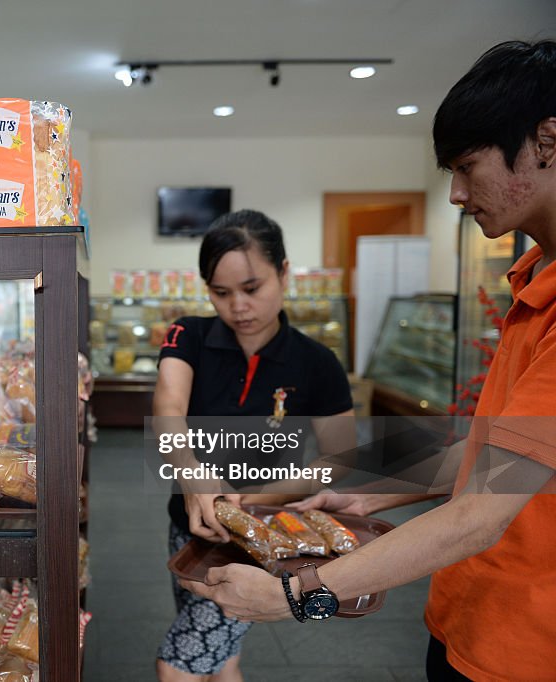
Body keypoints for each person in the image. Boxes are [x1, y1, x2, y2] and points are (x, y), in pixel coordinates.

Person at [180, 39, 556, 682]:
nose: (457, 196)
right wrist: (368, 492)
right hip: (468, 622)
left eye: (468, 167)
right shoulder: (532, 282)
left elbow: (480, 515)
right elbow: (496, 458)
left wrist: (297, 596)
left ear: (547, 140)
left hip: (525, 648)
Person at [153, 209, 355, 681]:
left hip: (262, 541)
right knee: (224, 658)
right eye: (220, 293)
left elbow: (341, 457)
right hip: (188, 526)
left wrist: (257, 498)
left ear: (283, 272)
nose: (237, 306)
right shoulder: (189, 336)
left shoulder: (316, 362)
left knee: (178, 661)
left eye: (252, 288)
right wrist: (193, 474)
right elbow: (167, 409)